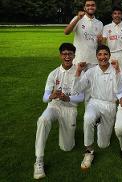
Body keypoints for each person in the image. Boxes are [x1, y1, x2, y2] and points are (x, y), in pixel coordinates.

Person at [33, 43, 84, 179]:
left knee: (67, 147)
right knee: (43, 120)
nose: (67, 57)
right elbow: (45, 98)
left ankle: (68, 137)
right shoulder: (53, 74)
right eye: (64, 54)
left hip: (70, 109)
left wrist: (68, 98)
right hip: (54, 106)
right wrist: (51, 96)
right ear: (60, 55)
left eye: (70, 54)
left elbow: (81, 97)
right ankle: (39, 160)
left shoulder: (79, 73)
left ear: (74, 56)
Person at [73, 45, 122, 171]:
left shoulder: (115, 69)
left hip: (110, 104)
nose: (102, 57)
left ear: (109, 56)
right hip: (94, 102)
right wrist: (78, 71)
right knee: (88, 118)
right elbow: (77, 89)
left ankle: (99, 122)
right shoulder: (91, 71)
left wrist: (117, 72)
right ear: (96, 56)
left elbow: (118, 90)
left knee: (103, 144)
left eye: (105, 54)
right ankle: (88, 151)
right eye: (100, 54)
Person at [64, 0, 103, 104]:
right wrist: (77, 18)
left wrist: (100, 42)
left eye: (93, 5)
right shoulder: (78, 19)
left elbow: (99, 46)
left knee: (91, 91)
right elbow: (66, 32)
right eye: (88, 5)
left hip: (93, 61)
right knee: (74, 89)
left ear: (95, 7)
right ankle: (69, 115)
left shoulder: (99, 23)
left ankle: (90, 117)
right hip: (79, 59)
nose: (90, 7)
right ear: (84, 7)